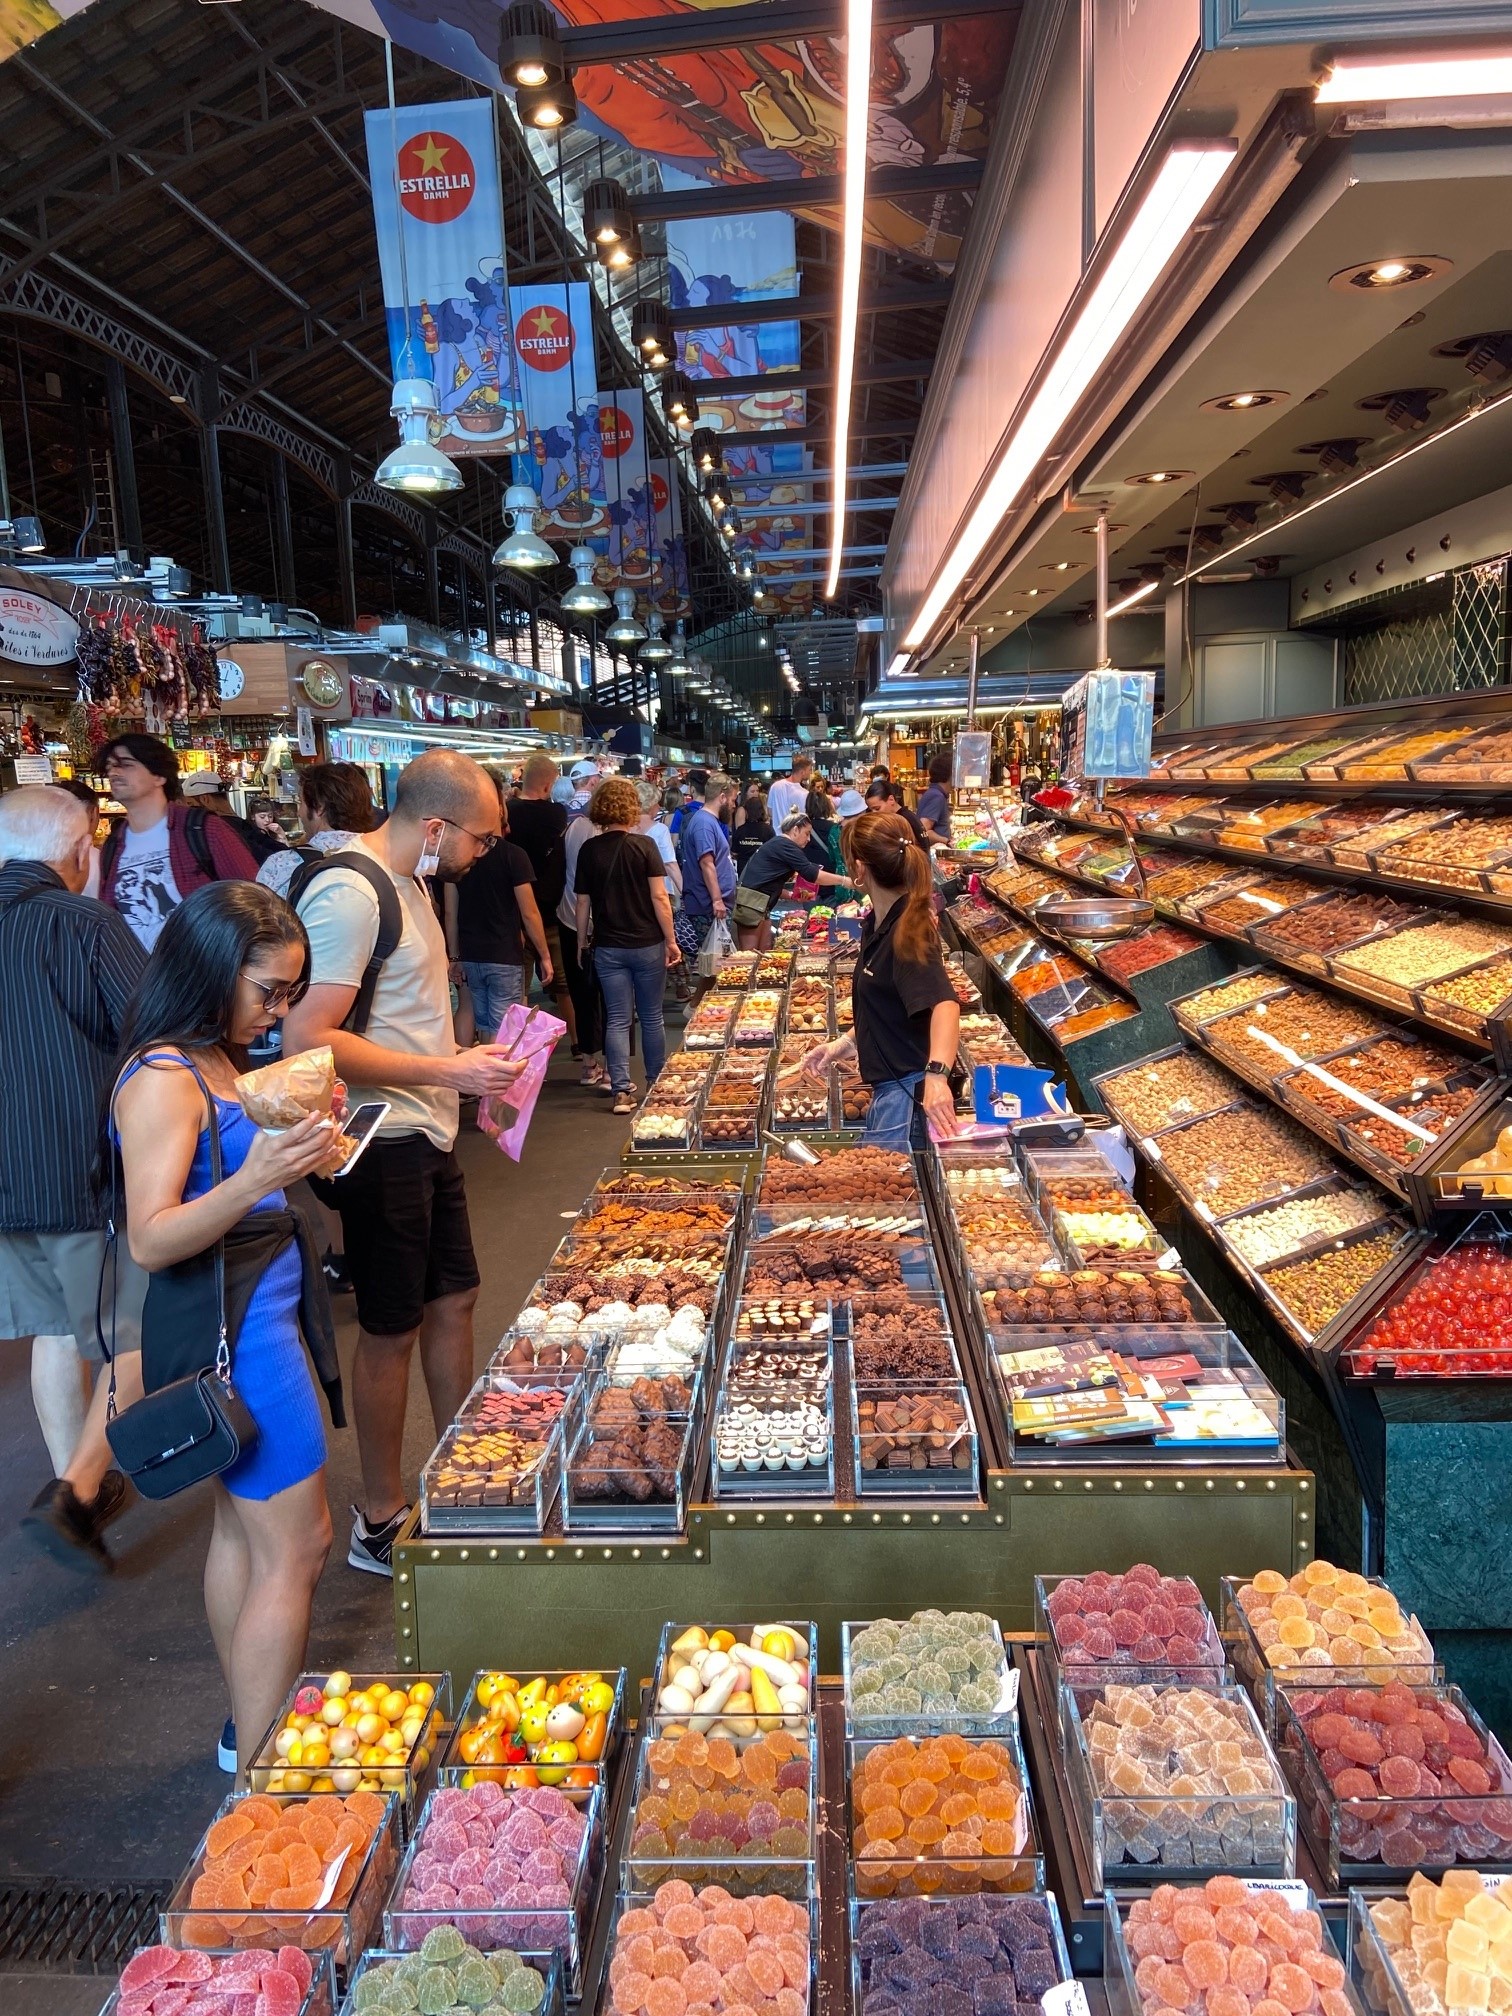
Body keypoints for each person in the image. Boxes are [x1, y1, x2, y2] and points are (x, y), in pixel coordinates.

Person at [113, 882, 346, 1773]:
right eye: (269, 991)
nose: (280, 1011)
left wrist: (302, 1154)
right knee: (299, 1546)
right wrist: (258, 1179)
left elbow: (239, 1174)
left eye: (290, 993)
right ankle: (261, 1783)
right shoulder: (163, 1077)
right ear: (210, 968)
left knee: (245, 1533)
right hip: (242, 1338)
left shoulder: (210, 1056)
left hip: (256, 1317)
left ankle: (245, 1739)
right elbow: (149, 1235)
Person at [280, 749, 527, 1576]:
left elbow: (403, 1017)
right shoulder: (351, 892)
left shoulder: (414, 882)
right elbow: (308, 1038)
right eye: (480, 838)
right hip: (381, 1139)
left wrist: (466, 1067)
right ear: (435, 826)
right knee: (390, 1326)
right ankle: (380, 1516)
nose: (483, 853)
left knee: (454, 1297)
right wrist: (447, 1071)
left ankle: (465, 1478)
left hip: (428, 1130)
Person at [0, 789, 148, 1573]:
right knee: (133, 1332)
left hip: (7, 1181)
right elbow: (154, 1030)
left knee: (59, 1330)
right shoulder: (85, 923)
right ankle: (77, 1493)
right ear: (81, 852)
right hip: (77, 1170)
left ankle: (78, 1496)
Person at [802, 811, 961, 1151]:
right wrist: (844, 1044)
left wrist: (936, 1077)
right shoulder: (878, 922)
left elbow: (945, 1005)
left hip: (907, 1097)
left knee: (895, 1186)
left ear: (859, 869)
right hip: (891, 1092)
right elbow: (889, 1006)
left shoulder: (909, 930)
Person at [574, 777, 682, 1115]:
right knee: (651, 1017)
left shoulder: (589, 850)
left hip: (608, 946)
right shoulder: (645, 846)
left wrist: (581, 940)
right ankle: (656, 1085)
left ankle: (621, 1091)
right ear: (631, 808)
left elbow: (582, 902)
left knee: (618, 1019)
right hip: (648, 944)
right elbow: (660, 898)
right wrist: (671, 940)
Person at [98, 733, 260, 950]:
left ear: (159, 776)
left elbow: (255, 900)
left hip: (205, 963)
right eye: (110, 766)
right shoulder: (113, 847)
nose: (114, 773)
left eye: (126, 764)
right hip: (137, 969)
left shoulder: (203, 829)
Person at [443, 793, 553, 1041]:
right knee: (504, 1029)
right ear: (500, 812)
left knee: (483, 1023)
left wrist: (454, 956)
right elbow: (529, 912)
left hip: (471, 954)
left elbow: (450, 912)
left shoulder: (458, 856)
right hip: (504, 954)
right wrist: (544, 955)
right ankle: (499, 1069)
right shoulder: (513, 855)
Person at [506, 754, 575, 1043]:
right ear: (548, 785)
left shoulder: (508, 813)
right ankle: (578, 1046)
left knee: (519, 989)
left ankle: (518, 1050)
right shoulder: (556, 814)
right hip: (551, 913)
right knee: (564, 986)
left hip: (514, 913)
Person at [257, 762, 377, 900]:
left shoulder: (280, 865)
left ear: (320, 808)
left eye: (301, 802)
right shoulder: (384, 859)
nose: (299, 813)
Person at [735, 810, 852, 950]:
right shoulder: (785, 845)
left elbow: (768, 882)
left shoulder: (780, 844)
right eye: (807, 833)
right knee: (749, 955)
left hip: (759, 904)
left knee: (763, 951)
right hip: (752, 904)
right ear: (795, 830)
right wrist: (845, 881)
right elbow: (812, 874)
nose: (809, 839)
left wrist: (792, 895)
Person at [557, 797, 608, 1089]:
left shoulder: (574, 826)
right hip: (604, 926)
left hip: (568, 918)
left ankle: (589, 1064)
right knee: (613, 999)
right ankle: (614, 1069)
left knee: (582, 994)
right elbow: (587, 896)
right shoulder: (609, 837)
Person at [675, 770, 737, 969]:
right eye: (732, 800)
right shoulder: (704, 823)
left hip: (713, 906)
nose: (734, 805)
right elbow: (706, 863)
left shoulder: (708, 821)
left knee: (715, 967)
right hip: (708, 907)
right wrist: (717, 899)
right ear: (722, 797)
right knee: (716, 965)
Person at [181, 772, 289, 867]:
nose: (190, 812)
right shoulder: (244, 826)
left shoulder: (221, 832)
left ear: (205, 799)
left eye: (191, 804)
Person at [865, 776, 927, 847]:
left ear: (891, 800)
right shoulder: (907, 816)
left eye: (877, 808)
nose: (874, 813)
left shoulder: (901, 820)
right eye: (871, 810)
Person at [731, 787, 772, 880]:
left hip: (743, 873)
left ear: (746, 811)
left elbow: (734, 852)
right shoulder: (768, 830)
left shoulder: (740, 830)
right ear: (762, 810)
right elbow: (773, 850)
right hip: (762, 872)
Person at [766, 754, 813, 831]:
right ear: (802, 772)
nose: (810, 772)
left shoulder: (775, 786)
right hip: (794, 835)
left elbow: (770, 812)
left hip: (777, 834)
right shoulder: (804, 794)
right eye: (809, 770)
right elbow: (804, 819)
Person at [916, 751, 954, 843]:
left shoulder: (936, 793)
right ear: (951, 774)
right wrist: (947, 841)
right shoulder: (936, 796)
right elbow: (923, 831)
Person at [669, 769, 706, 839]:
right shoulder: (716, 810)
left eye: (688, 785)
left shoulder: (681, 812)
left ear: (692, 789)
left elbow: (674, 841)